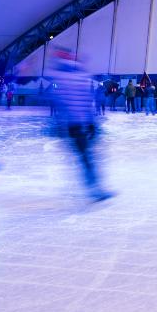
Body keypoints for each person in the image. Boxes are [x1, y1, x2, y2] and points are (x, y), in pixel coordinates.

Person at [47, 49, 112, 202]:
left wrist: (58, 124)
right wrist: (91, 123)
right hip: (81, 123)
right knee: (86, 155)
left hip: (73, 124)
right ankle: (95, 187)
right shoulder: (82, 78)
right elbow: (86, 101)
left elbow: (59, 101)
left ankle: (93, 186)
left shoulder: (61, 78)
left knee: (84, 155)